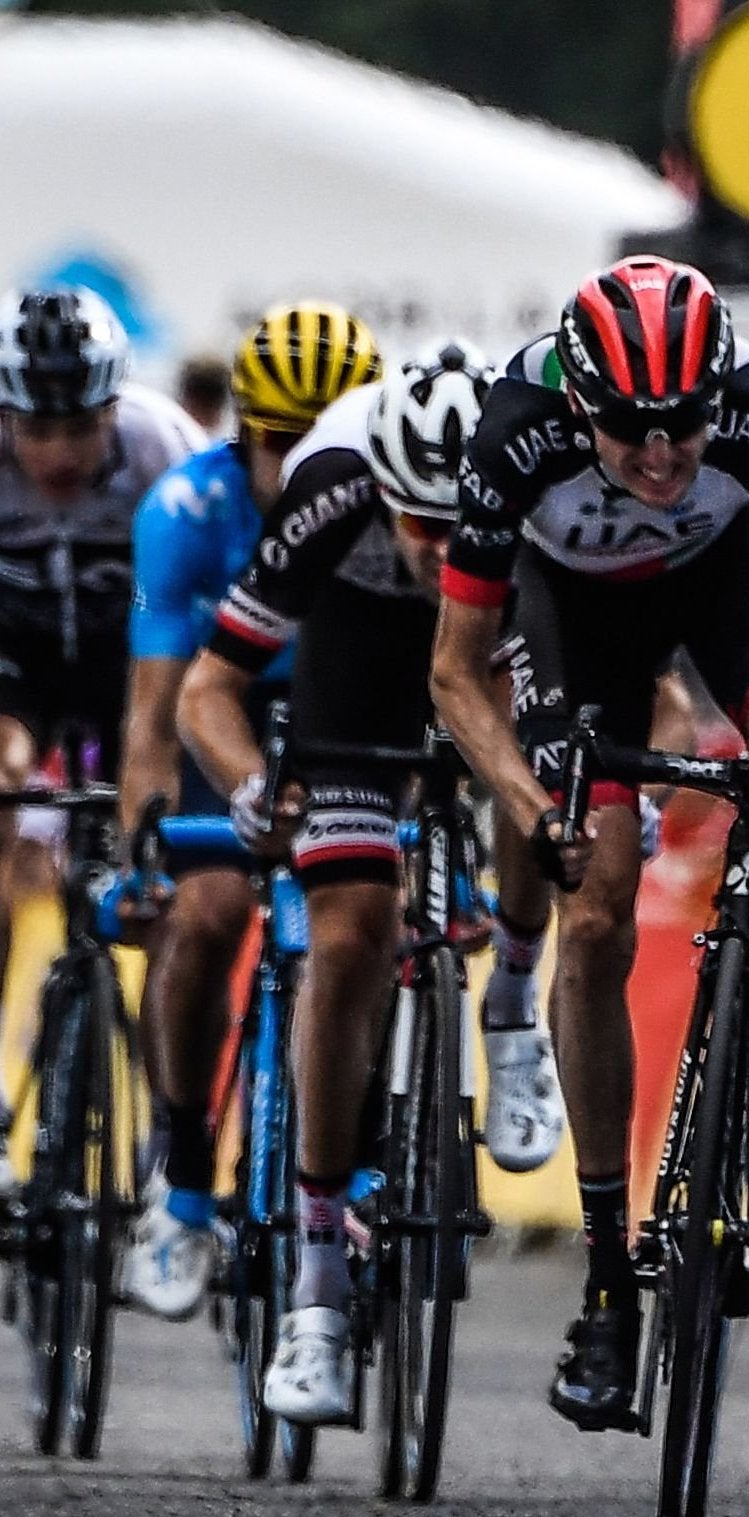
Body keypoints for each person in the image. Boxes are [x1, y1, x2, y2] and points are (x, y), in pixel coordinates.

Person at [429, 256, 749, 1433]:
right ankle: (605, 1275)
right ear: (581, 404)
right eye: (631, 429)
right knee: (595, 907)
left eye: (683, 424)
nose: (662, 454)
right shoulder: (512, 432)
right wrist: (530, 804)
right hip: (573, 625)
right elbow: (453, 674)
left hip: (722, 592)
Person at [177, 344, 502, 1424]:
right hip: (358, 663)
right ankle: (317, 1271)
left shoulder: (523, 494)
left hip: (491, 645)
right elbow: (208, 689)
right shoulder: (331, 491)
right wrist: (252, 785)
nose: (438, 548)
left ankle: (506, 1024)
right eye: (422, 526)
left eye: (459, 529)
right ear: (387, 495)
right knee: (353, 926)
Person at [120, 302, 385, 1320]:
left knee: (375, 921)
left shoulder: (391, 493)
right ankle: (184, 1183)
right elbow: (155, 713)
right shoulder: (187, 511)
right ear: (247, 438)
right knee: (210, 912)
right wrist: (147, 848)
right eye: (285, 444)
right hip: (218, 711)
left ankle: (355, 1153)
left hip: (343, 715)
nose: (308, 463)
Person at [0, 289, 202, 1141]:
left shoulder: (166, 447)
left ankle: (170, 1125)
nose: (56, 452)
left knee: (167, 881)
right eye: (34, 428)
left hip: (136, 665)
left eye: (80, 428)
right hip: (17, 662)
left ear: (115, 407)